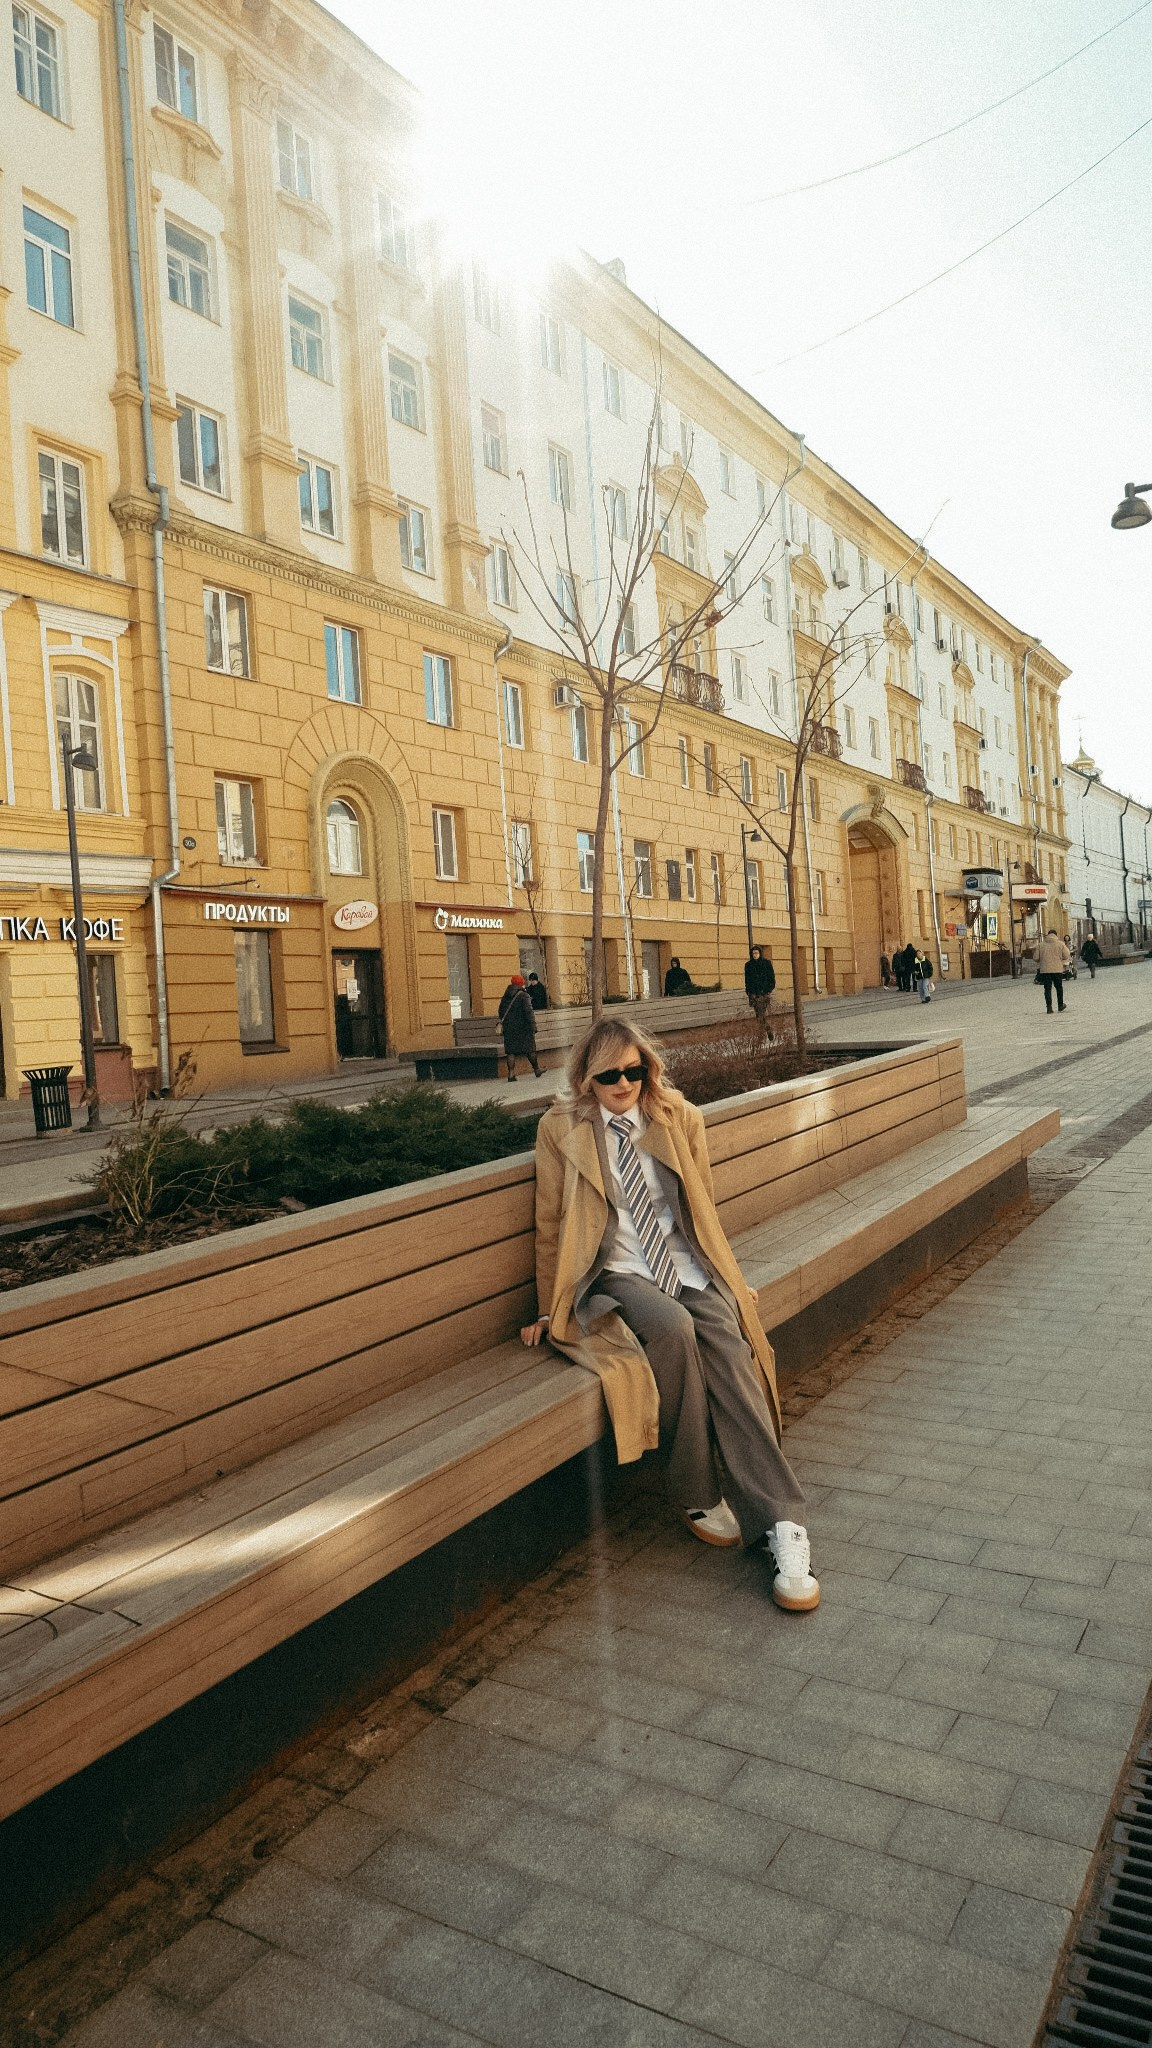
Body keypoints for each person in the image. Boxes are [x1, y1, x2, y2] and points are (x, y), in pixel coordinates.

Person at [521, 1019, 819, 1612]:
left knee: (731, 1348)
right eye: (609, 1075)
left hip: (684, 1263)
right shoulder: (561, 1130)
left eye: (634, 1070)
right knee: (674, 1329)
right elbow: (551, 1222)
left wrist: (732, 1281)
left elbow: (700, 1206)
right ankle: (698, 1491)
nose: (624, 1083)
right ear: (586, 1078)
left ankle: (782, 1525)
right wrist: (546, 1305)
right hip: (620, 1273)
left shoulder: (677, 1117)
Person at [498, 974, 541, 1080]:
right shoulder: (524, 995)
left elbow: (500, 1011)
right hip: (523, 1028)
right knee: (530, 1049)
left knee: (511, 1051)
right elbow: (528, 1012)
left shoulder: (506, 996)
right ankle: (536, 1069)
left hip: (509, 1028)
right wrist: (533, 1026)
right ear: (521, 984)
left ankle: (511, 1074)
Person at [1036, 929, 1071, 1014]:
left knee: (1047, 989)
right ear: (1056, 935)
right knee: (1059, 987)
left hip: (1045, 970)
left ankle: (1049, 1008)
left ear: (1048, 935)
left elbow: (1036, 958)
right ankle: (1060, 1005)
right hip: (1057, 969)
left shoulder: (1040, 945)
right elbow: (1067, 955)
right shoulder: (1061, 944)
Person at [744, 946, 776, 1028]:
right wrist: (749, 992)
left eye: (756, 953)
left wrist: (768, 990)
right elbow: (747, 980)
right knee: (758, 1014)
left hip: (764, 993)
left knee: (760, 1013)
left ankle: (766, 1029)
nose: (755, 955)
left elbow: (771, 978)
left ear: (760, 953)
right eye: (753, 953)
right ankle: (764, 1030)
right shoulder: (748, 965)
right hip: (754, 994)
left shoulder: (766, 963)